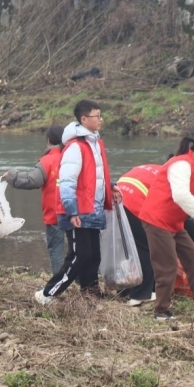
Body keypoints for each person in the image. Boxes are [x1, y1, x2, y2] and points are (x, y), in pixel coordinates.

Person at [34, 100, 121, 305]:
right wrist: (71, 211)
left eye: (101, 115)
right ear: (84, 119)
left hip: (93, 208)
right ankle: (48, 294)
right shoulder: (75, 146)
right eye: (96, 116)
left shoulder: (96, 143)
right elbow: (66, 182)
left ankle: (91, 295)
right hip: (77, 211)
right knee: (78, 256)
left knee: (93, 256)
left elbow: (96, 174)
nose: (101, 120)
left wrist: (111, 186)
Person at [138, 134, 194, 320]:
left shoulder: (190, 165)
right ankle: (161, 311)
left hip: (173, 223)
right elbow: (180, 195)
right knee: (167, 266)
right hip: (157, 220)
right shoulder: (181, 164)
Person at [115, 164, 194, 306]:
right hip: (135, 204)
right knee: (149, 248)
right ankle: (140, 295)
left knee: (130, 249)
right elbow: (184, 218)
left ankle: (125, 291)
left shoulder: (158, 169)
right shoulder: (177, 181)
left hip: (115, 200)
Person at [3, 125, 65, 275]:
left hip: (54, 213)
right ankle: (79, 282)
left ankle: (58, 283)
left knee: (56, 248)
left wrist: (12, 175)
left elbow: (32, 180)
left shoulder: (48, 160)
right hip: (77, 212)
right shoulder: (73, 157)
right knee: (77, 251)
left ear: (48, 140)